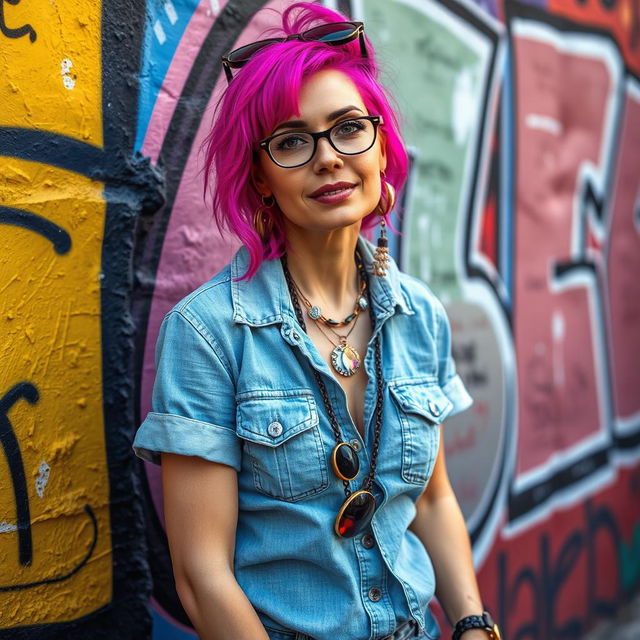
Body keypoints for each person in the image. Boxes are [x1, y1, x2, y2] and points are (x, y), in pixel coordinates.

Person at [133, 3, 501, 640]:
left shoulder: (421, 318)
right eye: (293, 141)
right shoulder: (209, 334)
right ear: (261, 177)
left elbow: (433, 501)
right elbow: (201, 573)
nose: (329, 158)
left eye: (348, 128)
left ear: (381, 148)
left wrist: (471, 622)